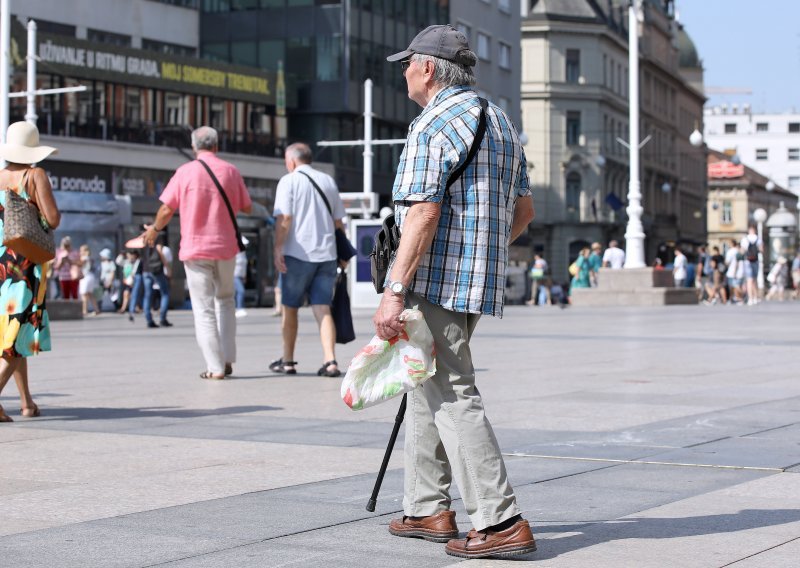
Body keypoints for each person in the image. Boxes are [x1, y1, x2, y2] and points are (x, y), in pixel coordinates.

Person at [376, 26, 537, 559]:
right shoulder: (500, 121)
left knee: (450, 392)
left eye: (407, 63)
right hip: (472, 283)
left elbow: (422, 211)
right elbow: (524, 212)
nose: (402, 71)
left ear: (426, 68)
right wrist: (481, 251)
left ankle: (500, 520)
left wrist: (394, 290)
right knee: (425, 386)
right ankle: (428, 508)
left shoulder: (433, 124)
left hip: (434, 282)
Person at [141, 126, 252, 380]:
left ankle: (215, 367)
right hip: (225, 247)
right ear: (216, 145)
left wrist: (154, 230)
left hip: (196, 248)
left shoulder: (185, 172)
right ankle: (226, 360)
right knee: (225, 301)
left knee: (203, 308)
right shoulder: (231, 171)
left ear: (194, 147)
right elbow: (246, 206)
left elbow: (167, 209)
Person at [0, 121, 61, 422]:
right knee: (19, 331)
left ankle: (26, 403)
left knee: (12, 330)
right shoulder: (34, 175)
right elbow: (52, 218)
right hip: (25, 265)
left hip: (0, 264)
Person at [270, 142, 346, 377]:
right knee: (323, 307)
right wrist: (342, 256)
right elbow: (338, 222)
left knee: (290, 307)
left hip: (297, 254)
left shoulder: (289, 181)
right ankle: (330, 360)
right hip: (327, 254)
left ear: (291, 161)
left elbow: (285, 218)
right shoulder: (328, 181)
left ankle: (289, 360)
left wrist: (277, 248)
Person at [142, 229, 172, 328]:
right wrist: (167, 266)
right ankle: (162, 318)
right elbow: (159, 250)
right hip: (156, 269)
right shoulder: (157, 237)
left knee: (147, 295)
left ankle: (149, 320)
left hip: (146, 270)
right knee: (165, 293)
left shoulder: (145, 239)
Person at [740, 226, 762, 305]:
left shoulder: (745, 239)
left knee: (749, 280)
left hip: (747, 261)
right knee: (755, 280)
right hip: (755, 260)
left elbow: (742, 251)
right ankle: (756, 297)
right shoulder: (758, 238)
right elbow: (761, 250)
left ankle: (750, 298)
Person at [78, 244, 100, 316]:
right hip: (90, 276)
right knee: (90, 294)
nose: (80, 251)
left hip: (85, 277)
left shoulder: (84, 258)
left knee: (84, 295)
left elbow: (79, 264)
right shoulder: (89, 258)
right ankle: (96, 309)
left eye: (81, 250)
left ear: (85, 251)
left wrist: (70, 260)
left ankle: (84, 311)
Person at [724, 239, 744, 304]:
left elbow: (728, 262)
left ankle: (738, 298)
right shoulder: (739, 251)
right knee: (738, 285)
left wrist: (734, 271)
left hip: (732, 272)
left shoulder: (730, 251)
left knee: (733, 286)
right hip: (740, 272)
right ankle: (737, 298)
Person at [234, 236, 249, 318]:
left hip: (240, 275)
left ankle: (237, 308)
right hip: (234, 275)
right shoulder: (235, 252)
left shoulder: (243, 253)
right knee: (241, 291)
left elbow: (243, 266)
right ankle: (240, 308)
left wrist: (244, 276)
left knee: (237, 292)